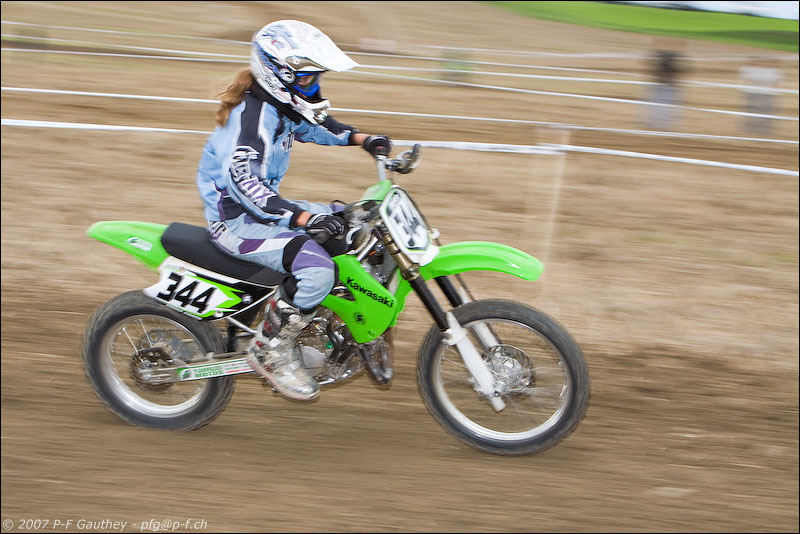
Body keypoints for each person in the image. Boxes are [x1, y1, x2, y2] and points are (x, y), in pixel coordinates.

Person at [196, 20, 391, 401]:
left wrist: (363, 139)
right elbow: (248, 189)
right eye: (306, 78)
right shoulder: (250, 124)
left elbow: (313, 127)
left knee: (356, 221)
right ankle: (271, 350)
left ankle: (340, 325)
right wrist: (304, 218)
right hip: (237, 221)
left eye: (316, 78)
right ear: (278, 74)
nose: (313, 85)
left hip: (261, 210)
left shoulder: (277, 105)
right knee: (317, 269)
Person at [641, 38, 686, 131]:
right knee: (664, 105)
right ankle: (661, 124)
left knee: (656, 104)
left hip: (662, 84)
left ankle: (656, 123)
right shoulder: (673, 56)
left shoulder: (662, 55)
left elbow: (646, 62)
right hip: (668, 85)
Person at [739, 56, 783, 136]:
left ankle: (762, 129)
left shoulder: (773, 71)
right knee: (756, 111)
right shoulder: (749, 69)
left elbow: (776, 82)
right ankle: (754, 129)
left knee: (762, 111)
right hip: (757, 94)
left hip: (763, 94)